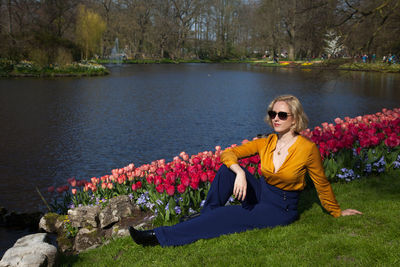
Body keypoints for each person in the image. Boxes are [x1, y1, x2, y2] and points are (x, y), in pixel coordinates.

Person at [129, 95, 362, 247]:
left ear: (295, 119)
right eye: (273, 114)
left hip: (280, 208)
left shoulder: (307, 149)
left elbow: (321, 183)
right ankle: (206, 214)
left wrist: (336, 212)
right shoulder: (266, 142)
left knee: (224, 216)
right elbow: (228, 154)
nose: (276, 119)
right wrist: (239, 172)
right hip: (262, 192)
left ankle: (159, 236)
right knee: (227, 171)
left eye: (282, 115)